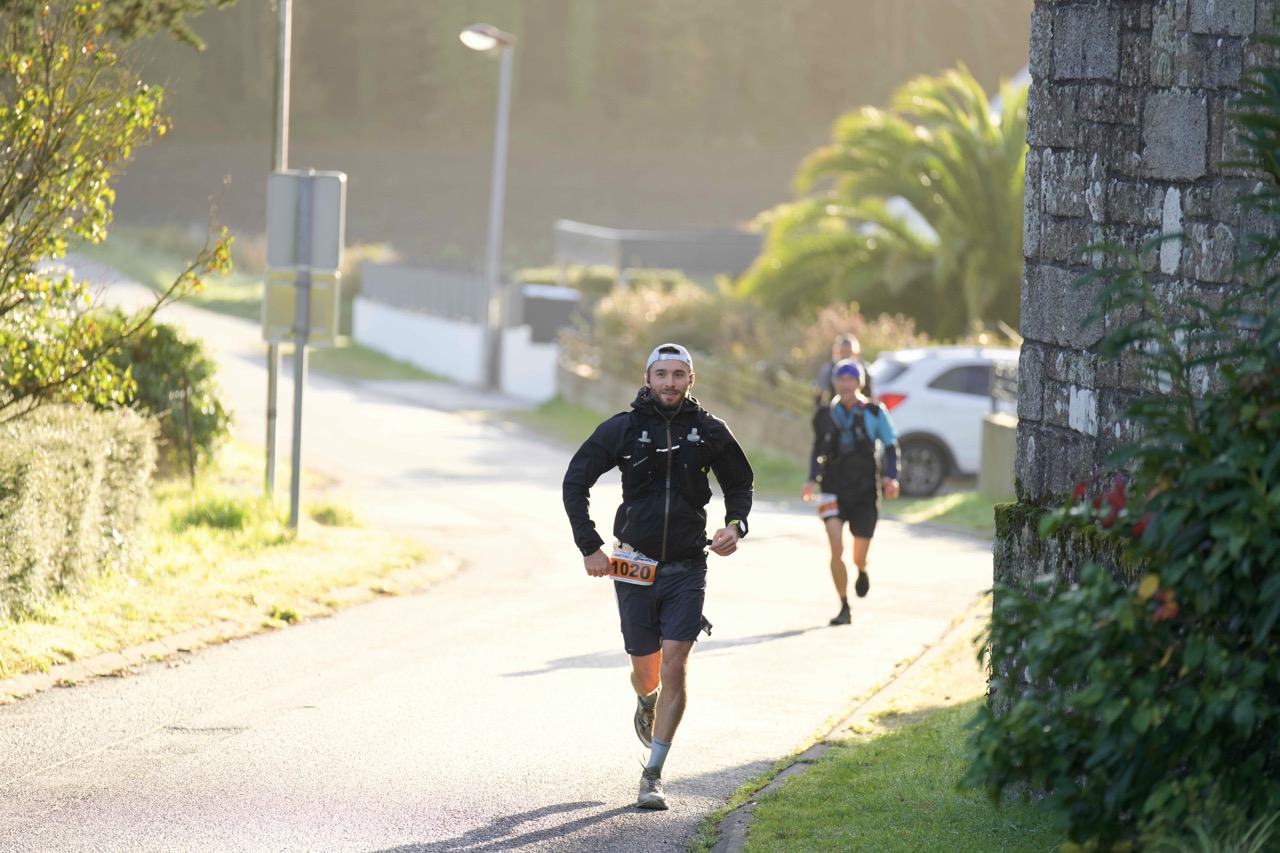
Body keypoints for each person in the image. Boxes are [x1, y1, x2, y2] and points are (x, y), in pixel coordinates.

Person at [562, 342, 754, 811]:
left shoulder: (709, 431)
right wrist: (590, 546)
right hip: (635, 566)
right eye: (661, 374)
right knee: (646, 669)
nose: (670, 382)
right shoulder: (624, 428)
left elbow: (739, 484)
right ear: (647, 379)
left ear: (691, 380)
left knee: (675, 666)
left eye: (678, 374)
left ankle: (653, 774)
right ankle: (646, 702)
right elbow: (575, 481)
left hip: (688, 566)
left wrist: (735, 526)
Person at [801, 359, 900, 626]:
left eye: (850, 379)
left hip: (865, 490)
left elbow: (891, 446)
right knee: (835, 547)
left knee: (858, 555)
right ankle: (844, 605)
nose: (845, 384)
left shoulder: (874, 411)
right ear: (834, 382)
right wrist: (811, 480)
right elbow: (817, 449)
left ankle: (862, 568)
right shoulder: (823, 414)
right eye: (840, 379)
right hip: (831, 489)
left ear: (859, 383)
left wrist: (890, 477)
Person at [813, 334, 874, 407]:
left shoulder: (864, 370)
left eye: (848, 352)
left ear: (855, 352)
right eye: (843, 351)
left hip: (860, 410)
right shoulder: (828, 370)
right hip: (835, 410)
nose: (846, 355)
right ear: (837, 351)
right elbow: (819, 392)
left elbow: (871, 394)